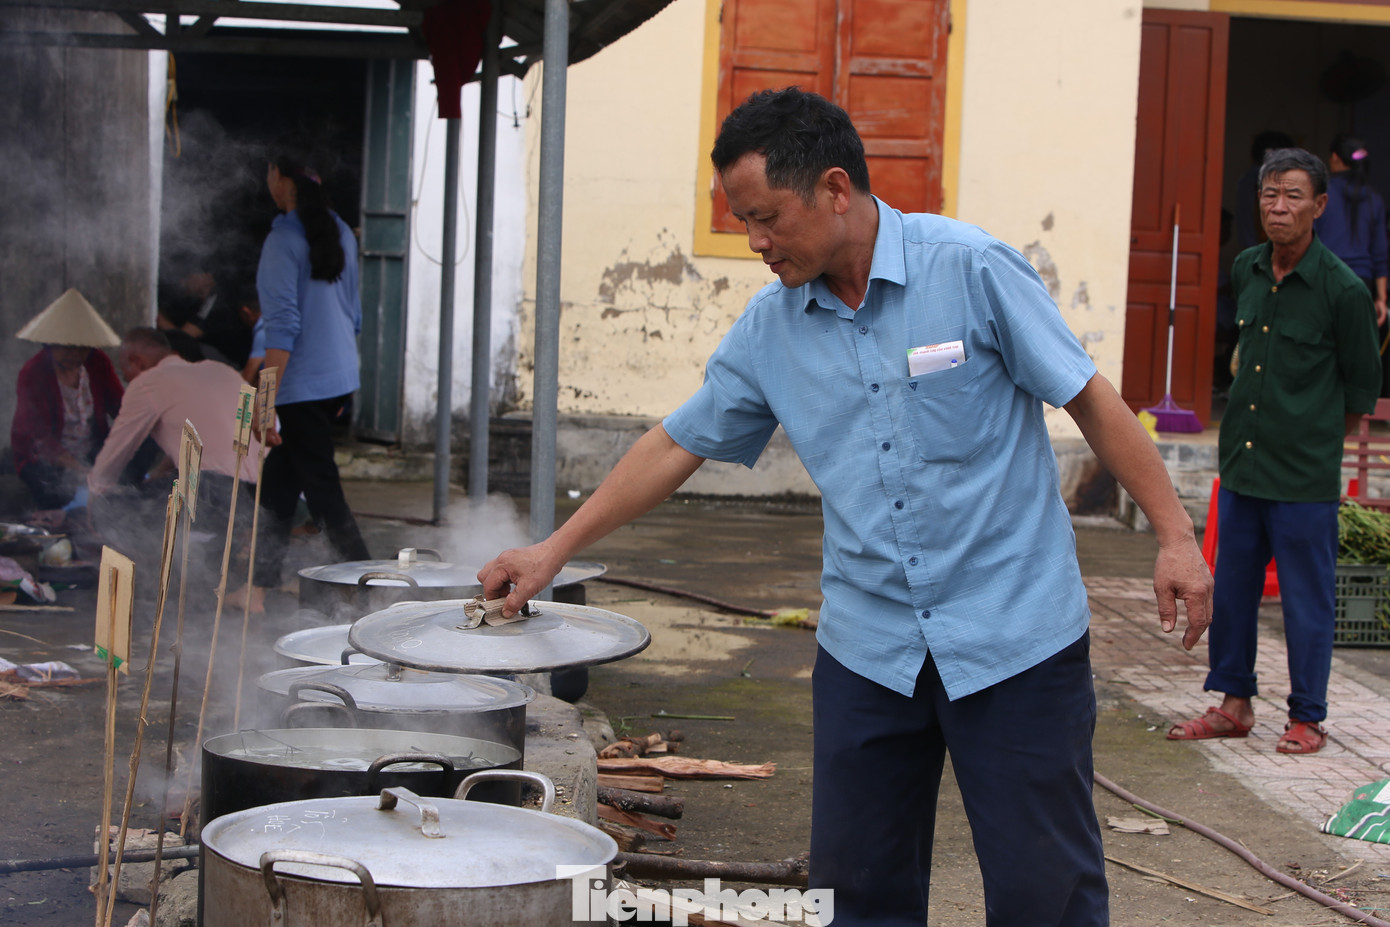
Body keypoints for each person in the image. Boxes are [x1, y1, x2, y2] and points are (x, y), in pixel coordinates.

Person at [480, 88, 1213, 926]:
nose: (755, 242)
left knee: (1046, 895)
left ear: (835, 189)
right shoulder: (770, 330)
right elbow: (674, 444)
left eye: (766, 217)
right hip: (872, 652)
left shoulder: (970, 268)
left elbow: (1092, 402)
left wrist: (1175, 537)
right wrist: (553, 550)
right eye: (741, 221)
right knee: (857, 897)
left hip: (1015, 642)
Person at [1168, 148, 1381, 756]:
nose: (1278, 207)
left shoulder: (1343, 291)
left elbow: (1360, 390)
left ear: (1319, 205)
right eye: (1269, 195)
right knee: (1230, 591)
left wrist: (1311, 440)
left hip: (1304, 477)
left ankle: (1307, 716)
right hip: (1242, 466)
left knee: (1306, 601)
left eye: (1292, 196)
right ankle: (1234, 704)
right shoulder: (1248, 268)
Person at [235, 145, 370, 614]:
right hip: (337, 378)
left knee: (323, 490)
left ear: (280, 178)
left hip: (301, 384)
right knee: (278, 487)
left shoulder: (283, 241)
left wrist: (264, 401)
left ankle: (372, 588)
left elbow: (282, 328)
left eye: (269, 172)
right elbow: (353, 314)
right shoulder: (338, 232)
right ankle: (256, 588)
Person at [87, 328, 261, 564]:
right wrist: (156, 478)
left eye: (125, 372)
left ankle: (155, 572)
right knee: (161, 494)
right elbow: (211, 439)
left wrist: (96, 494)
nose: (126, 380)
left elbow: (117, 451)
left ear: (136, 362)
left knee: (109, 507)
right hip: (254, 493)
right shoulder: (220, 372)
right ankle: (209, 562)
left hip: (209, 493)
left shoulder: (150, 383)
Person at [10, 289, 125, 511]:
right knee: (52, 488)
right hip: (46, 459)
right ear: (50, 344)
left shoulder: (97, 362)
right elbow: (39, 437)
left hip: (92, 450)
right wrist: (83, 472)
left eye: (82, 347)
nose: (75, 354)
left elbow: (120, 408)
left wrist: (114, 454)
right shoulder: (33, 373)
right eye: (67, 347)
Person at [1314, 133, 1389, 393]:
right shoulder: (1375, 199)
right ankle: (1351, 406)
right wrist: (1381, 297)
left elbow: (1308, 239)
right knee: (1355, 350)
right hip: (1361, 283)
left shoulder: (1322, 195)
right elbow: (1380, 252)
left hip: (1324, 278)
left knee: (1320, 346)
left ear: (1335, 158)